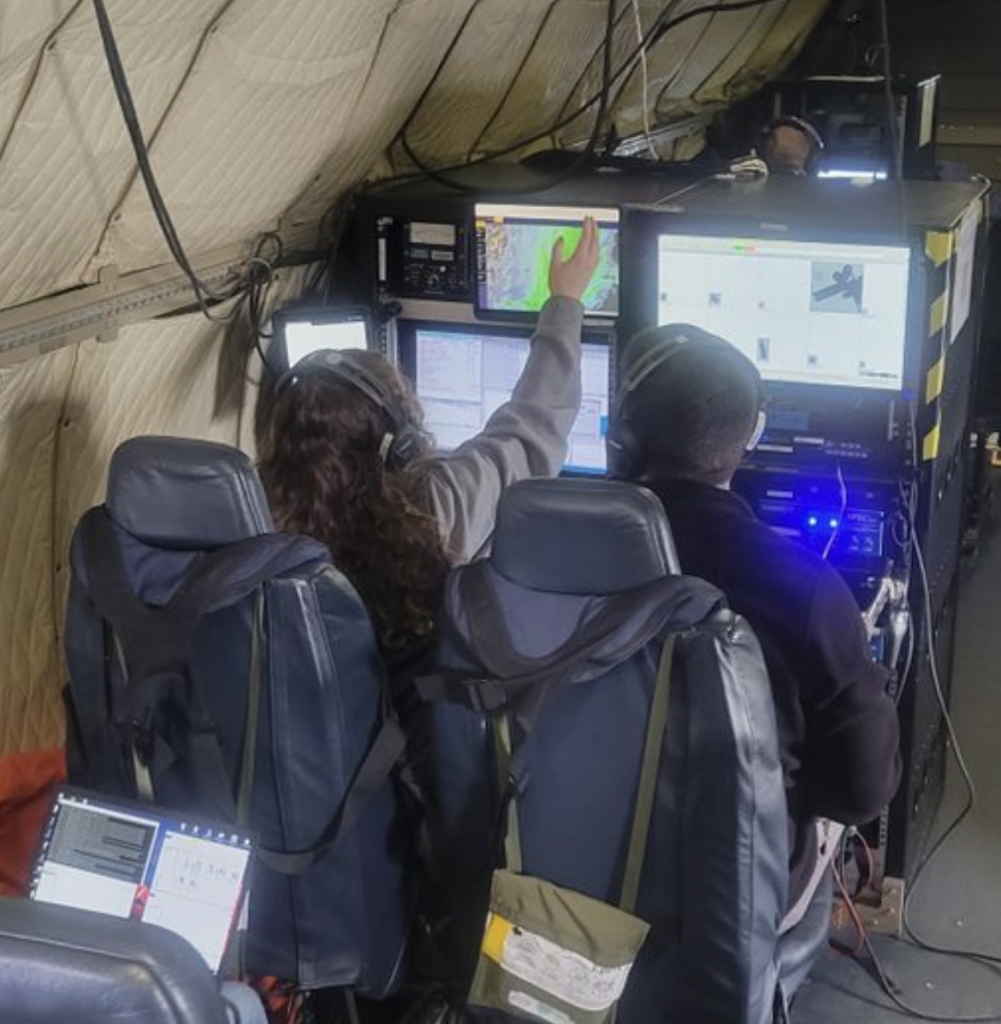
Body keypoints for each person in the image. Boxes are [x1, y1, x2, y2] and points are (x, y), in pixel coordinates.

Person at [607, 324, 901, 911]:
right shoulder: (806, 589)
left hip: (563, 848)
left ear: (623, 439)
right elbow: (859, 792)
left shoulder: (541, 553)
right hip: (728, 888)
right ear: (751, 438)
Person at [257, 219, 600, 671]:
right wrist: (565, 304)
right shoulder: (435, 504)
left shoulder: (252, 516)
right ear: (398, 442)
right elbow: (531, 431)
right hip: (416, 726)